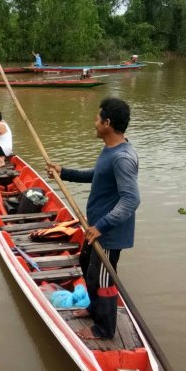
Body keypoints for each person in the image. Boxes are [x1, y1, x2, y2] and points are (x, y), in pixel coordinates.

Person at [46, 97, 139, 341]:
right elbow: (97, 176)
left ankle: (104, 329)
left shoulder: (122, 158)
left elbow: (131, 200)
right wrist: (63, 172)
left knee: (104, 279)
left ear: (108, 123)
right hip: (95, 227)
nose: (94, 122)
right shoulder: (111, 150)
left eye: (98, 119)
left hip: (108, 233)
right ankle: (93, 309)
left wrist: (103, 226)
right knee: (87, 264)